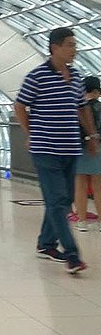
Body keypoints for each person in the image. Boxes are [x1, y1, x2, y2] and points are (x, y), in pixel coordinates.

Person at [14, 27, 99, 274]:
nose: (75, 50)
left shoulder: (75, 75)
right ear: (55, 48)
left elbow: (82, 108)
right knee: (58, 203)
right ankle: (72, 254)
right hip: (46, 149)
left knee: (64, 200)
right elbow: (20, 106)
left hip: (71, 147)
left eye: (75, 45)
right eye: (70, 45)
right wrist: (32, 134)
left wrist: (92, 135)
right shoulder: (37, 76)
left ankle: (46, 243)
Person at [75, 75, 101, 232]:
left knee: (80, 185)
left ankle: (82, 220)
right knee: (99, 185)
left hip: (79, 148)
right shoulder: (99, 108)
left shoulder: (78, 108)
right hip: (98, 147)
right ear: (96, 91)